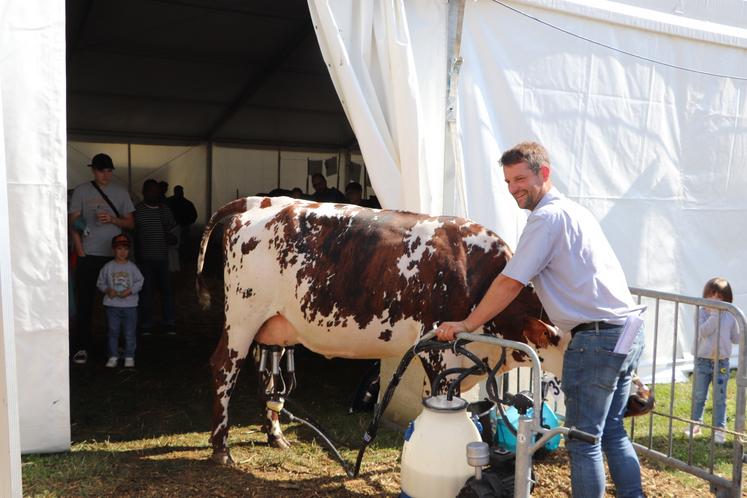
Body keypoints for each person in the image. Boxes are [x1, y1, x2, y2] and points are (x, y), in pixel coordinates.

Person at [436, 141, 645, 498]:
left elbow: (511, 281)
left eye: (520, 178)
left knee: (582, 441)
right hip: (628, 330)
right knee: (610, 430)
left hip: (597, 338)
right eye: (507, 181)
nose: (514, 188)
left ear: (544, 173)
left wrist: (468, 324)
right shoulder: (574, 211)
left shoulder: (546, 219)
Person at [68, 153, 135, 364]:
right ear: (93, 170)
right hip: (89, 254)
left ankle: (116, 346)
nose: (105, 175)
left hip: (115, 257)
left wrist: (113, 219)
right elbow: (73, 222)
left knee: (118, 301)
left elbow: (131, 224)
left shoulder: (121, 192)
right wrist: (80, 250)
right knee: (85, 301)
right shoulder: (81, 190)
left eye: (108, 170)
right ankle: (82, 347)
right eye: (100, 170)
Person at [687, 277, 739, 444]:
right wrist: (715, 315)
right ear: (705, 296)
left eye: (720, 297)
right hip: (703, 361)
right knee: (699, 395)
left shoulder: (730, 315)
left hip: (722, 362)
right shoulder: (701, 312)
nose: (715, 301)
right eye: (711, 296)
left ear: (727, 299)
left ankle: (719, 429)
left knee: (720, 398)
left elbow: (735, 338)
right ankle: (696, 424)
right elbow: (704, 332)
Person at [135, 179, 177, 336]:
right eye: (150, 191)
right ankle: (146, 323)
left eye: (155, 191)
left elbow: (173, 231)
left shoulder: (164, 210)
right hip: (145, 259)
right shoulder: (138, 210)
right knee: (146, 292)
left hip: (162, 258)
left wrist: (172, 238)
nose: (153, 193)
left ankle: (169, 322)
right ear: (144, 192)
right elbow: (134, 234)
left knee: (167, 292)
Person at [96, 234, 144, 368]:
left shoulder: (132, 267)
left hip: (130, 305)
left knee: (129, 332)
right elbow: (100, 282)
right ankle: (113, 355)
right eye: (119, 249)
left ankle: (129, 356)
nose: (122, 252)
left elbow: (140, 281)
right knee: (113, 331)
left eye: (125, 249)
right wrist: (107, 290)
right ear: (114, 250)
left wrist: (130, 291)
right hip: (112, 305)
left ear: (129, 251)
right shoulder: (108, 267)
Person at [167, 185, 198, 264]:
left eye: (180, 191)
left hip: (181, 227)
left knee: (182, 245)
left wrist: (187, 223)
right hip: (173, 228)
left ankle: (181, 260)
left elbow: (194, 215)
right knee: (175, 246)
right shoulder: (170, 201)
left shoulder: (185, 203)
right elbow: (194, 215)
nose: (179, 193)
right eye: (178, 191)